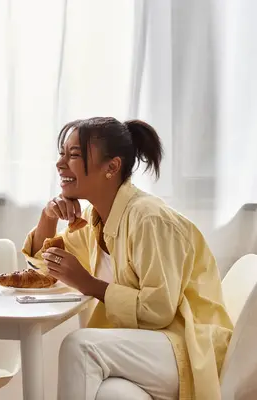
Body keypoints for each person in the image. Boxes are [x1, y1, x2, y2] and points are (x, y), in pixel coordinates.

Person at [22, 117, 233, 400]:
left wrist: (89, 284)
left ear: (112, 167)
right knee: (112, 394)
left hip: (184, 347)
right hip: (146, 351)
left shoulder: (149, 219)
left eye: (74, 155)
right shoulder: (94, 218)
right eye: (62, 154)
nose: (61, 164)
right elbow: (45, 266)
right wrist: (48, 215)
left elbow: (159, 310)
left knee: (80, 346)